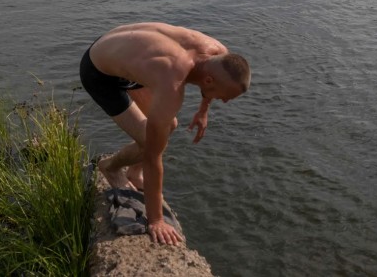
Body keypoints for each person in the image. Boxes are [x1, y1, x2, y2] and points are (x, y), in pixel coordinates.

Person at [79, 22, 251, 245]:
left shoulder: (219, 53)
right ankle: (110, 168)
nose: (225, 101)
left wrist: (203, 110)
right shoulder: (172, 82)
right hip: (99, 72)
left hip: (122, 50)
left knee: (169, 125)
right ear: (208, 81)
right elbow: (153, 156)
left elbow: (215, 75)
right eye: (225, 96)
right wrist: (156, 219)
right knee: (149, 141)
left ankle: (133, 173)